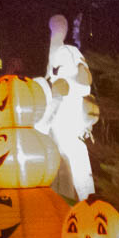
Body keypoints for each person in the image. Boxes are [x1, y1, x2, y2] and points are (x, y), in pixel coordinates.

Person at [42, 15, 95, 200]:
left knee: (78, 162)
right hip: (53, 139)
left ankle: (87, 203)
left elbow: (84, 78)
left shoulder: (71, 53)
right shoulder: (57, 59)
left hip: (71, 133)